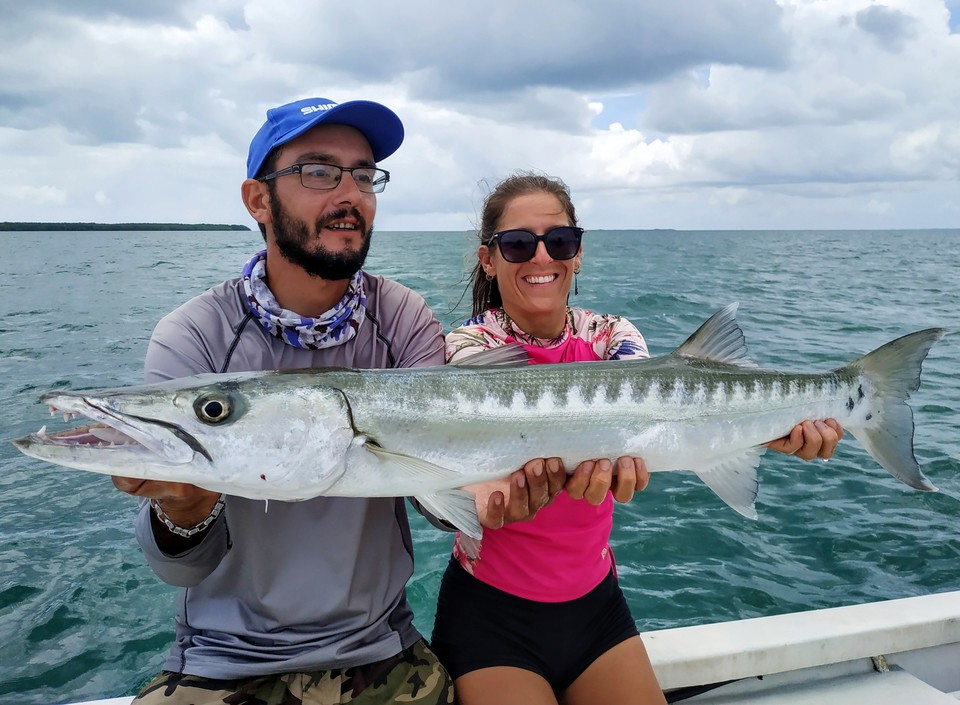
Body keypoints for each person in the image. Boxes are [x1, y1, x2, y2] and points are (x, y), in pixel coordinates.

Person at [109, 99, 565, 705]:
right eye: (319, 171)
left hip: (382, 653)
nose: (349, 193)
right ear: (258, 200)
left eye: (363, 175)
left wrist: (498, 490)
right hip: (223, 662)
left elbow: (436, 490)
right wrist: (183, 507)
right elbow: (181, 569)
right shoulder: (196, 335)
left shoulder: (401, 316)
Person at [430, 172, 844, 705]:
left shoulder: (614, 336)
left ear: (578, 253)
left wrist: (775, 432)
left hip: (597, 606)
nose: (540, 258)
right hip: (489, 613)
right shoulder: (466, 347)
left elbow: (658, 416)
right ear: (489, 258)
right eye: (517, 244)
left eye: (559, 241)